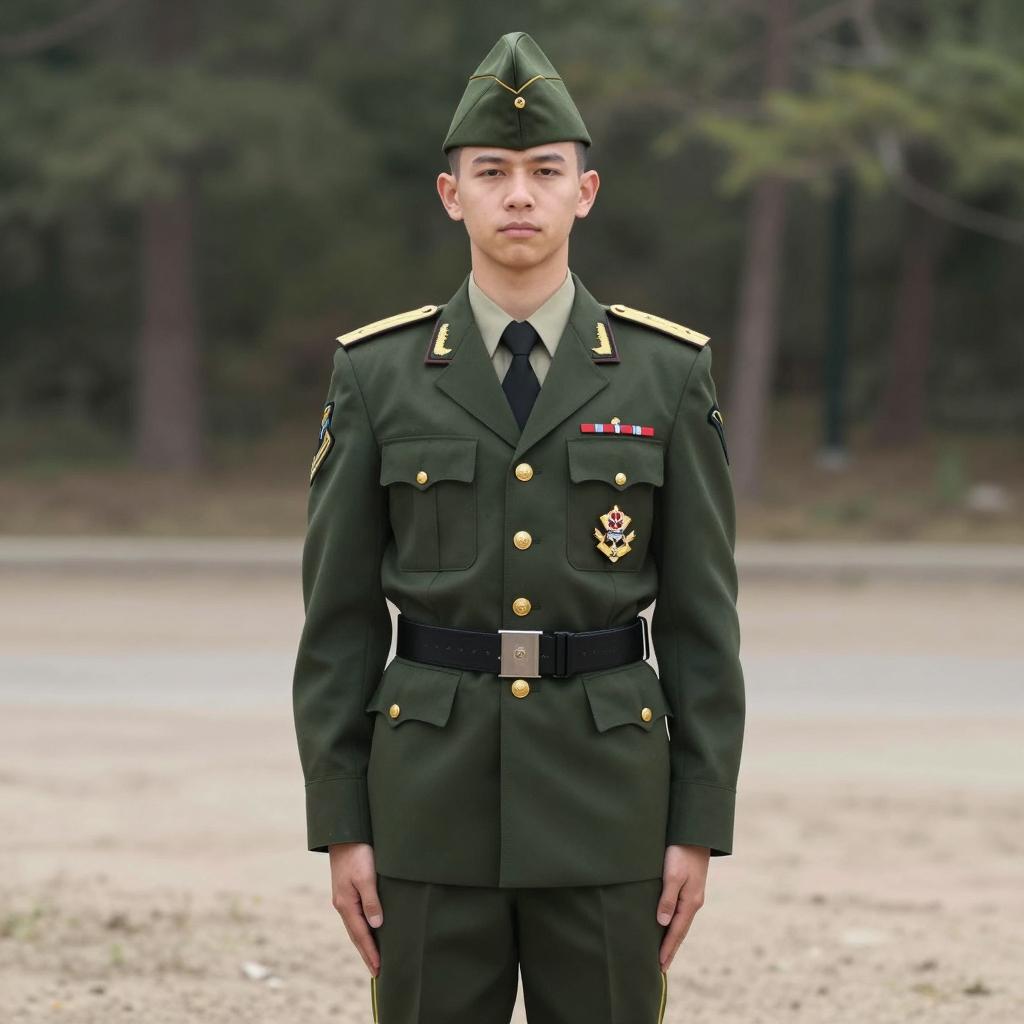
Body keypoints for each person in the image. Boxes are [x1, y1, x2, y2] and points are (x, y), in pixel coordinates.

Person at [292, 30, 744, 1024]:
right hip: (427, 806)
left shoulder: (665, 375)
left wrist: (697, 826)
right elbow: (337, 621)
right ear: (450, 194)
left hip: (609, 805)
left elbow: (704, 625)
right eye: (491, 172)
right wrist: (343, 825)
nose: (519, 195)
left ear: (587, 190)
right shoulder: (378, 373)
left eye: (545, 170)